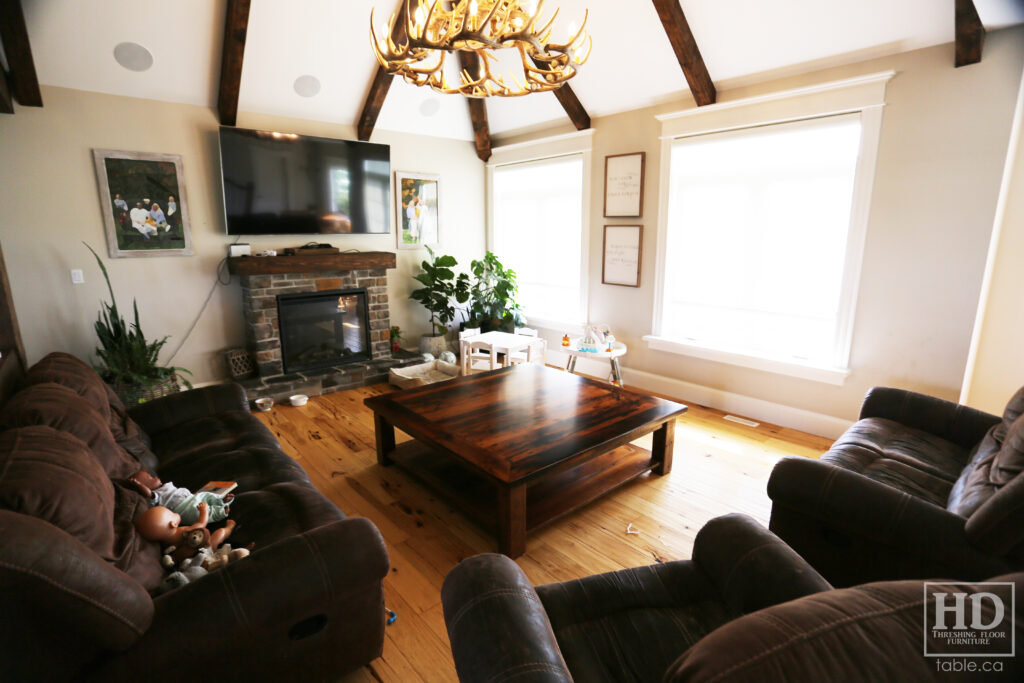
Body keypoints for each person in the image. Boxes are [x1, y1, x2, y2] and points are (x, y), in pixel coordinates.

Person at [129, 470, 233, 525]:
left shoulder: (163, 487)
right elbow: (148, 494)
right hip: (183, 509)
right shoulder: (156, 495)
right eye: (150, 478)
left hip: (192, 497)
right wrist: (138, 485)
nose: (155, 477)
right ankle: (220, 512)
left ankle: (220, 500)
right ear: (146, 486)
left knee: (205, 495)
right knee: (200, 513)